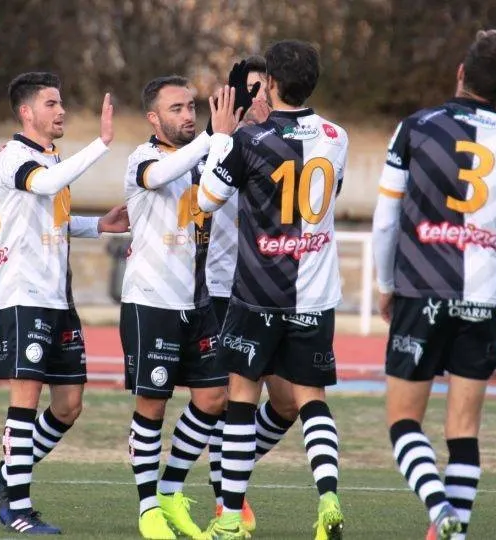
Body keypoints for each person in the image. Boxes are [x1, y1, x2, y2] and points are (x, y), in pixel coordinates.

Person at [370, 29, 496, 540]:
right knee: (463, 433)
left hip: (422, 292)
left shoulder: (416, 128)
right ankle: (455, 530)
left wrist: (385, 283)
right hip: (482, 300)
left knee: (403, 423)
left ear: (460, 74)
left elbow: (385, 219)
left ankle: (439, 508)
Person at [197, 40, 348, 540]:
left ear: (274, 86)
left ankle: (230, 518)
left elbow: (208, 198)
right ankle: (327, 497)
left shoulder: (250, 140)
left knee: (241, 398)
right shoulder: (336, 137)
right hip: (315, 294)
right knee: (311, 398)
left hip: (259, 291)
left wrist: (223, 136)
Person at [0, 72, 129, 535]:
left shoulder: (50, 159)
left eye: (61, 102)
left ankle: (4, 476)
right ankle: (18, 508)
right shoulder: (14, 158)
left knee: (68, 406)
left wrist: (98, 226)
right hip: (23, 297)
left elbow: (53, 218)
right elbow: (44, 187)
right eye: (51, 104)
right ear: (26, 112)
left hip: (58, 300)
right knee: (24, 402)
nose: (60, 110)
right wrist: (101, 145)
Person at [121, 75, 229, 540]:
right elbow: (159, 176)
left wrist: (230, 135)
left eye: (191, 107)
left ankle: (169, 490)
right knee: (153, 405)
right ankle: (148, 510)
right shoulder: (143, 158)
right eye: (176, 109)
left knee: (213, 397)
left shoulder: (202, 156)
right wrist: (214, 135)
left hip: (196, 302)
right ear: (154, 117)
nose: (187, 115)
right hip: (152, 303)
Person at [202, 55, 298, 534]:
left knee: (286, 404)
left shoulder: (283, 147)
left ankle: (225, 468)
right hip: (224, 292)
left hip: (270, 295)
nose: (265, 98)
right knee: (225, 399)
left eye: (270, 88)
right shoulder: (214, 147)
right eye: (256, 89)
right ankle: (224, 498)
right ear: (237, 97)